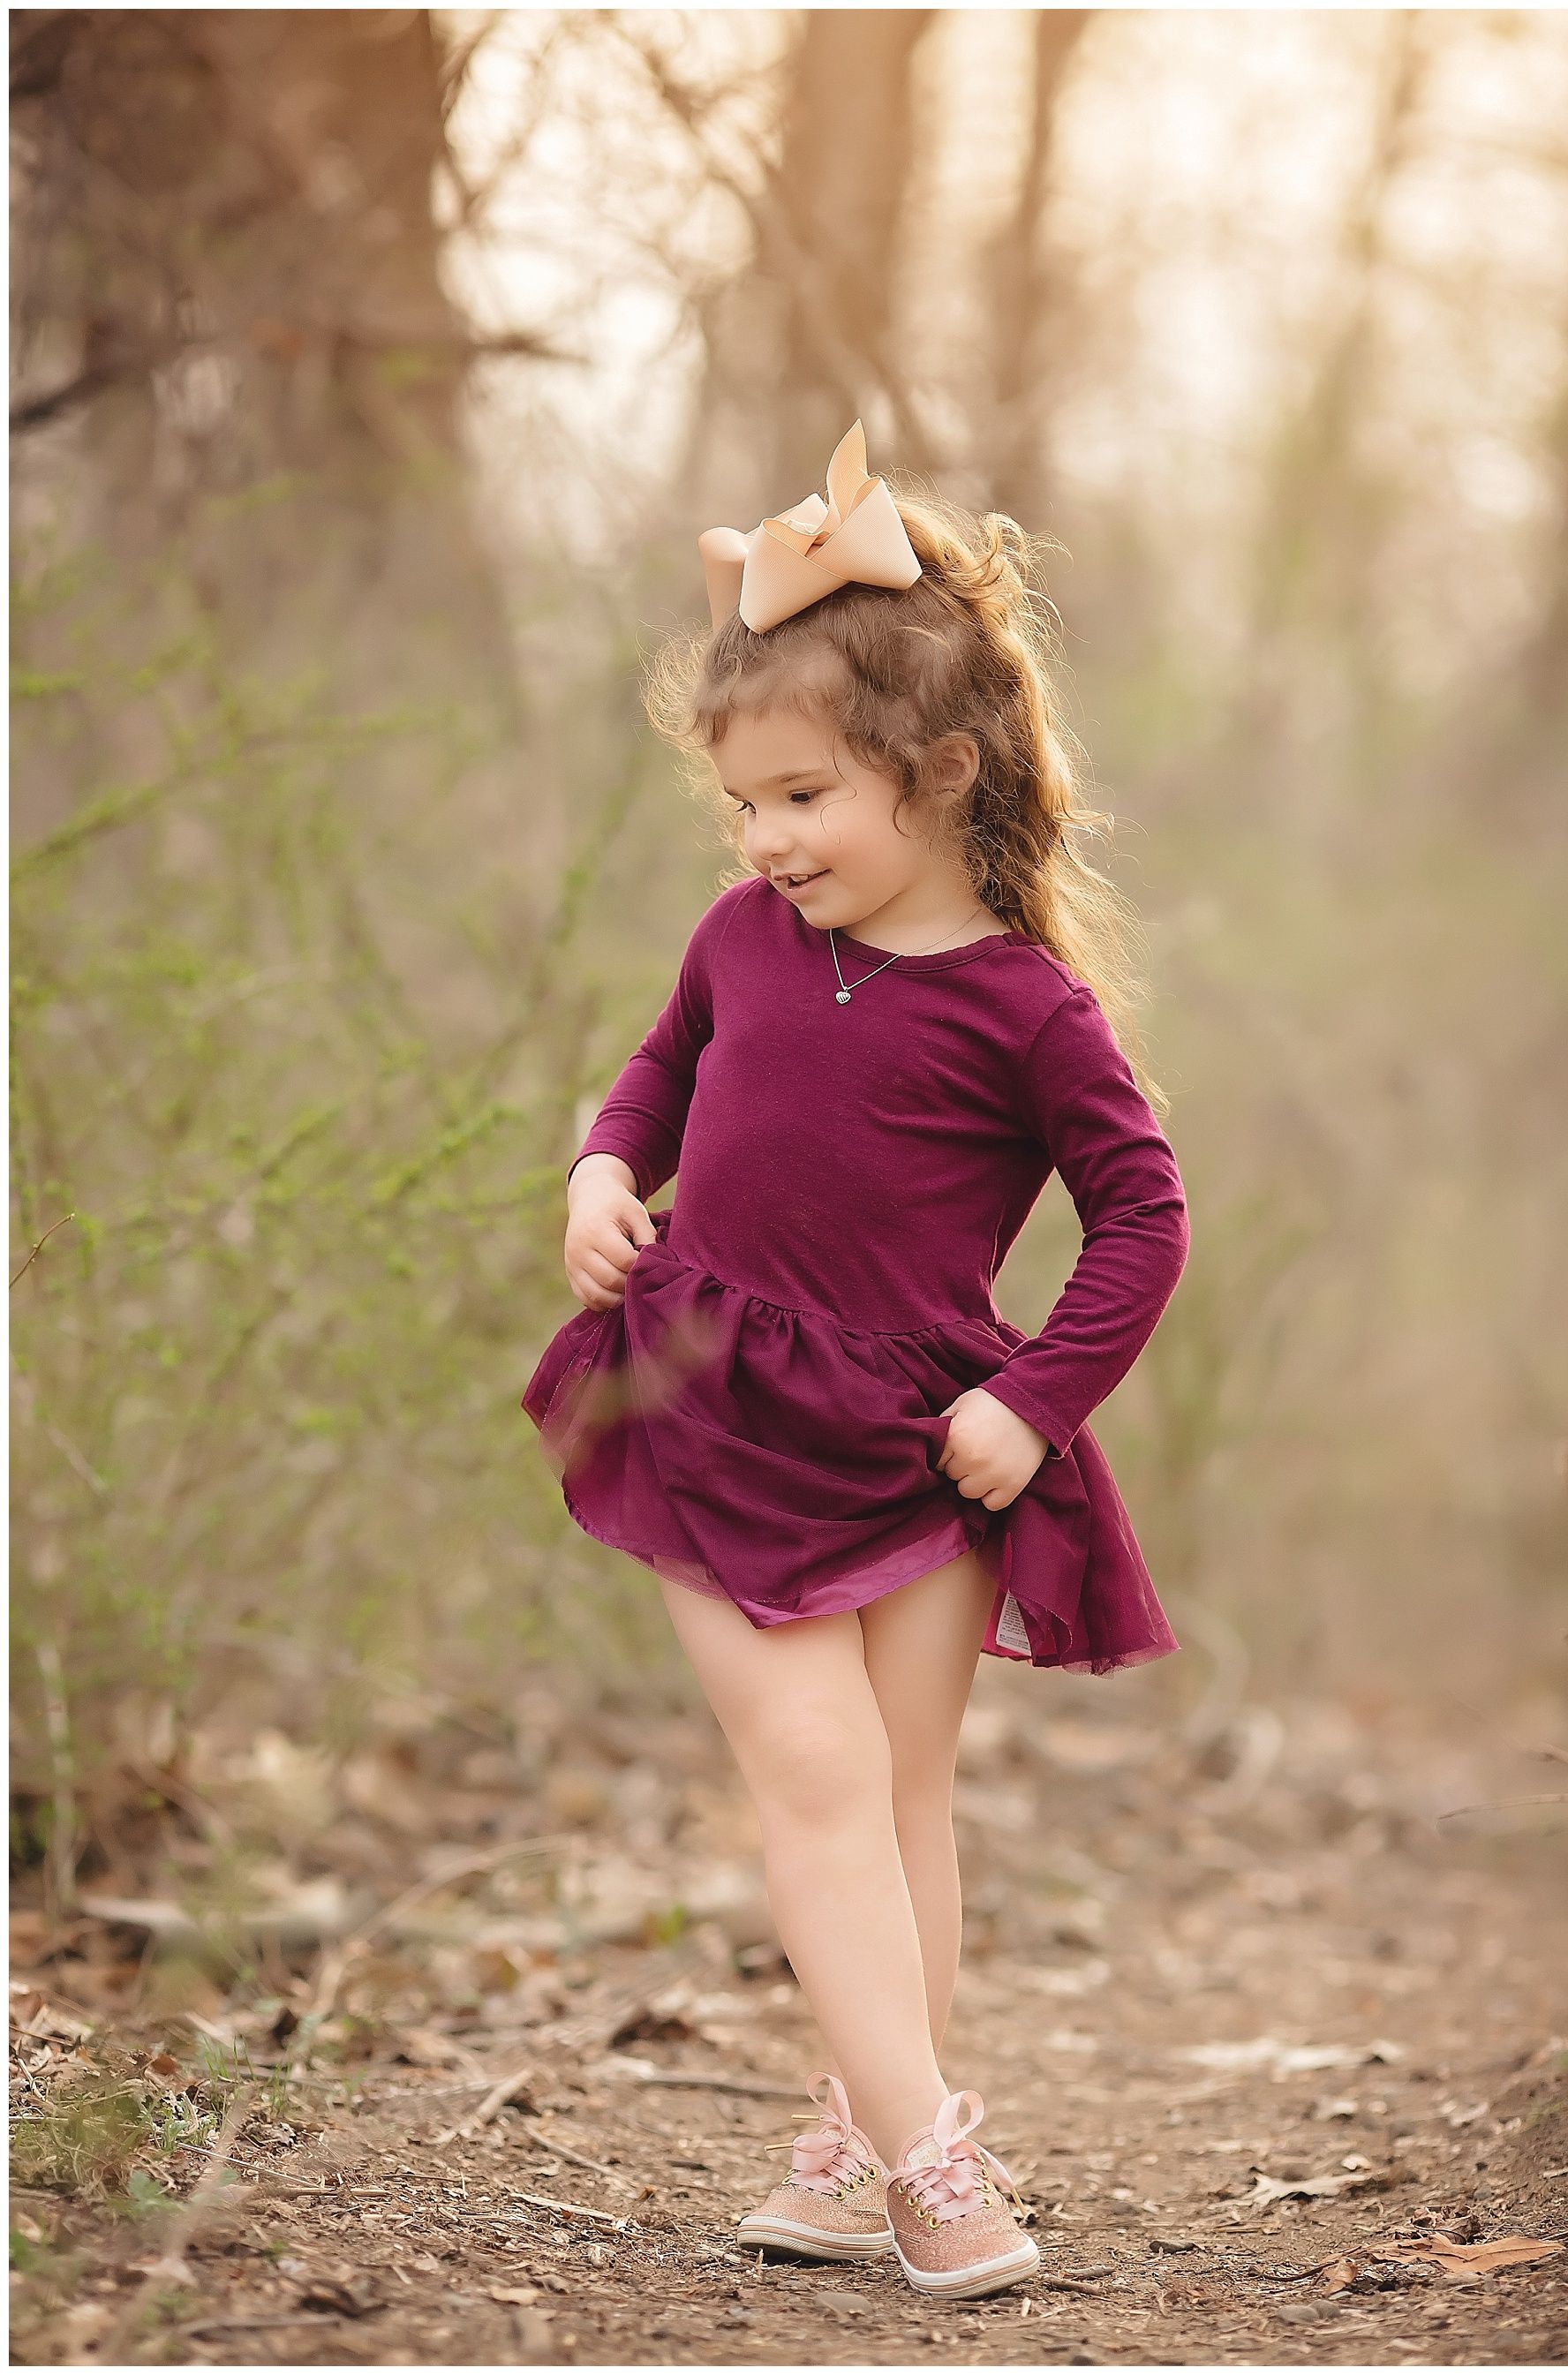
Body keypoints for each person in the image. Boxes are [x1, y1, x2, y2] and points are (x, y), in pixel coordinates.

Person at [522, 419, 1190, 2303]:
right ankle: (930, 2158)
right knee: (809, 1768)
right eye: (742, 804)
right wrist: (597, 1169)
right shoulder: (741, 936)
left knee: (900, 1800)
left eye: (803, 797)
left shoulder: (1027, 1007)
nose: (765, 840)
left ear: (941, 771)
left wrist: (1029, 1398)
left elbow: (1144, 1219)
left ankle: (844, 2136)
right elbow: (658, 1074)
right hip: (701, 1401)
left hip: (927, 1437)